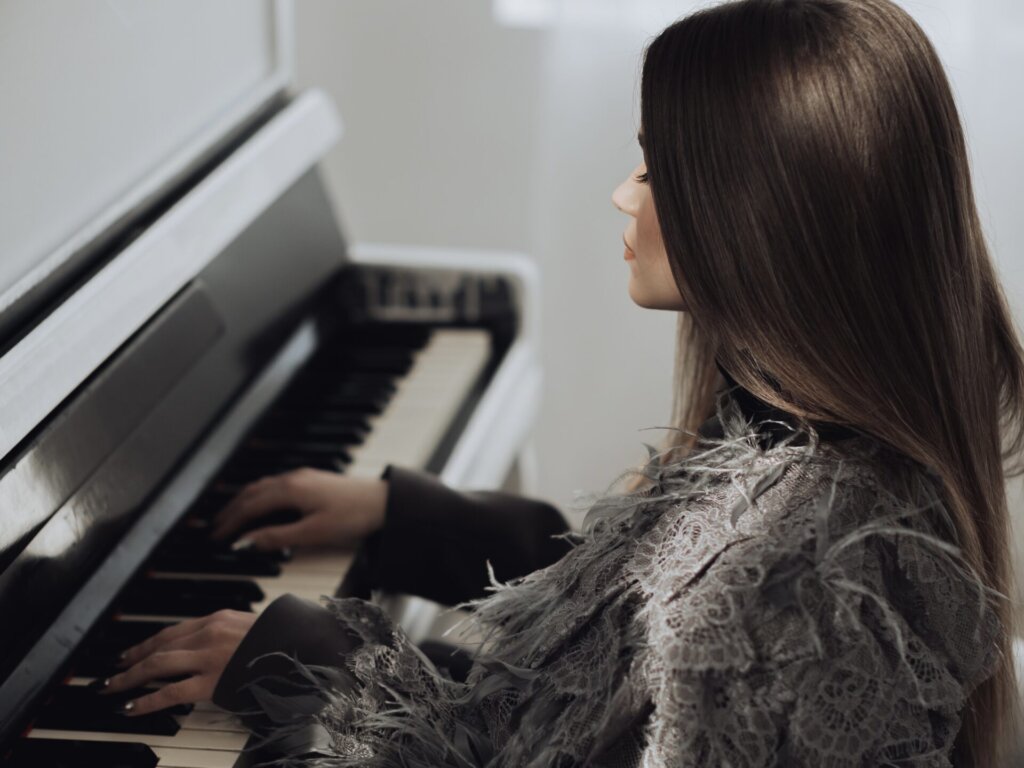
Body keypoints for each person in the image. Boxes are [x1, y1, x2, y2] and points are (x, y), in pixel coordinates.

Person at [102, 0, 1024, 764]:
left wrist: (311, 665)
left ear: (758, 212)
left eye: (658, 168)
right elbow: (615, 677)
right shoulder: (819, 466)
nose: (625, 195)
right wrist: (422, 524)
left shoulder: (803, 580)